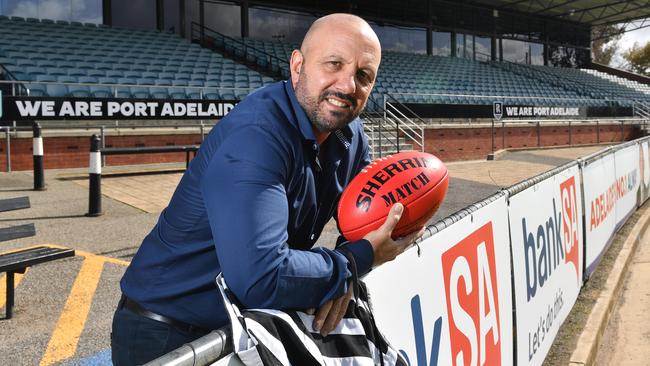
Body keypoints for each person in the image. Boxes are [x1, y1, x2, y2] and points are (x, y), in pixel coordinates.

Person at [111, 13, 424, 365]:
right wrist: (351, 263)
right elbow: (262, 277)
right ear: (297, 66)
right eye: (333, 64)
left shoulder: (350, 136)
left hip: (247, 325)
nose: (348, 85)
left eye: (363, 76)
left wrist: (343, 272)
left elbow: (363, 224)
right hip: (169, 333)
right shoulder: (256, 137)